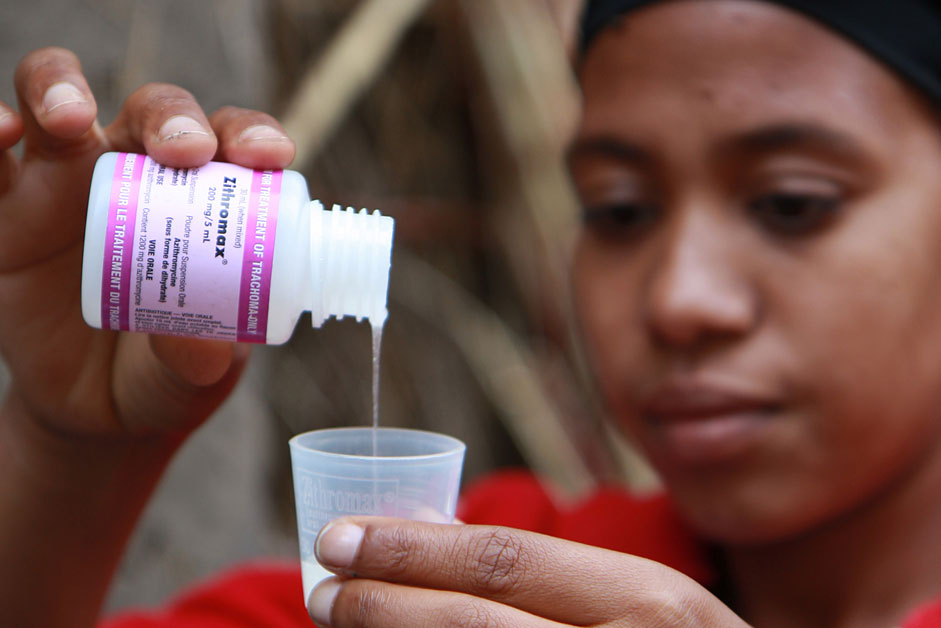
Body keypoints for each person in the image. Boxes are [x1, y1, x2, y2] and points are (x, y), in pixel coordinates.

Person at [1, 0, 940, 626]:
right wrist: (73, 455)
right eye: (617, 209)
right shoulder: (480, 575)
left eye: (792, 202)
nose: (678, 298)